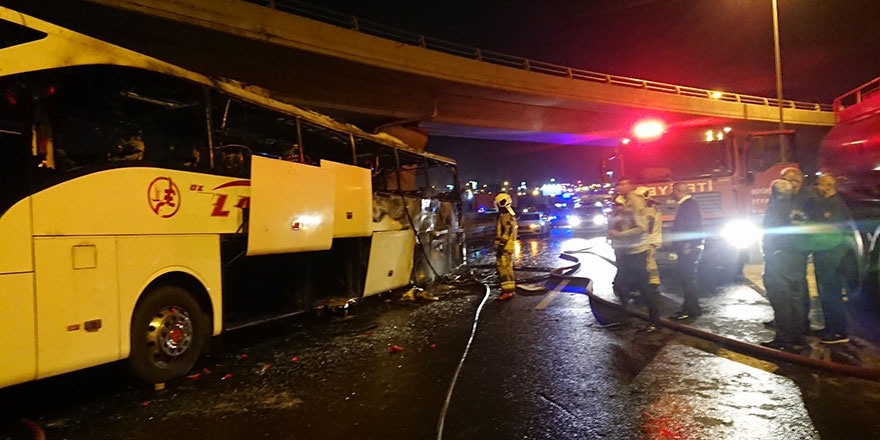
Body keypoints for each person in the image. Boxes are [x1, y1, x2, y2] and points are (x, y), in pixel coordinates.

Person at [760, 179, 809, 350]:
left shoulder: (775, 209)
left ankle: (784, 340)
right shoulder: (798, 207)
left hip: (779, 261)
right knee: (796, 299)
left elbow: (773, 234)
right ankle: (798, 337)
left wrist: (772, 252)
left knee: (781, 301)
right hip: (797, 260)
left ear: (774, 193)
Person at [608, 178, 660, 332]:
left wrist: (619, 234)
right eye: (618, 184)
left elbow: (641, 228)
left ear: (631, 185)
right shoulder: (624, 200)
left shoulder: (635, 201)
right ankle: (625, 318)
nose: (619, 187)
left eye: (623, 184)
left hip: (636, 251)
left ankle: (655, 322)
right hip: (626, 250)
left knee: (643, 286)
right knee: (621, 285)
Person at [809, 174, 855, 344]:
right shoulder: (831, 203)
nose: (817, 188)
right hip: (828, 255)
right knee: (828, 293)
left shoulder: (834, 205)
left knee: (830, 293)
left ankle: (837, 333)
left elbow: (832, 233)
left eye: (819, 185)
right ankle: (832, 328)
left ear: (828, 186)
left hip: (830, 256)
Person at [669, 182, 703, 320]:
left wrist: (687, 245)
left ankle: (692, 310)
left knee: (688, 279)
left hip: (687, 248)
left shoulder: (689, 205)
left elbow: (691, 227)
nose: (672, 194)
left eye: (673, 191)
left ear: (678, 191)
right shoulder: (688, 204)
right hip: (686, 247)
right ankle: (688, 307)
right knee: (686, 279)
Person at [636, 187, 663, 298]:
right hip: (651, 240)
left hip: (647, 241)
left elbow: (645, 228)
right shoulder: (653, 209)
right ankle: (653, 284)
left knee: (646, 263)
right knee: (650, 262)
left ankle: (650, 286)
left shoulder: (648, 211)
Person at [494, 193, 518, 301]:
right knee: (508, 268)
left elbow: (507, 231)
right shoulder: (510, 214)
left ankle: (506, 291)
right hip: (509, 246)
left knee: (503, 268)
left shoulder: (505, 216)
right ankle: (510, 290)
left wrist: (501, 245)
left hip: (505, 247)